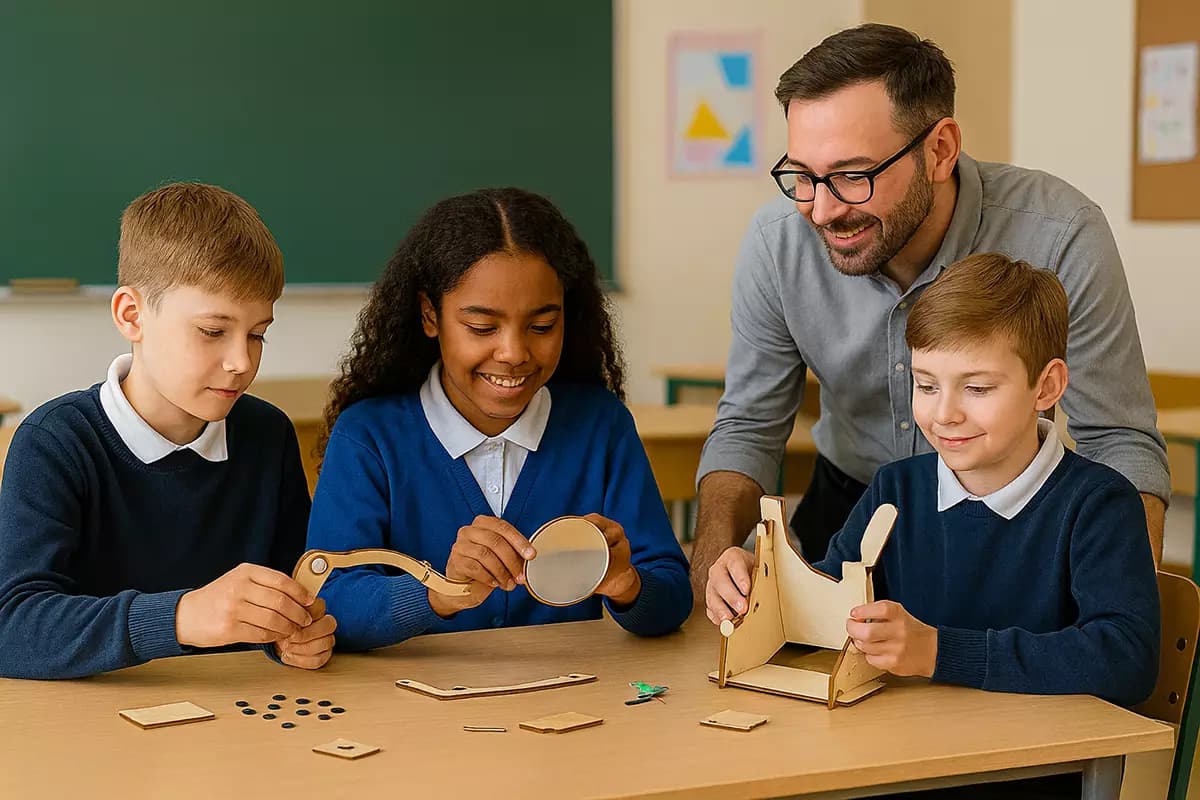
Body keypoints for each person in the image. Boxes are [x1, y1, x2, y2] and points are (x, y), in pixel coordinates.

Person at [690, 24, 1168, 606]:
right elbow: (748, 426)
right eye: (803, 176)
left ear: (939, 150)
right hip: (852, 510)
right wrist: (711, 574)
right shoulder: (775, 245)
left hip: (1019, 520)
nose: (821, 210)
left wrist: (1126, 611)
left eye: (852, 175)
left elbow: (1118, 441)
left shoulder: (1061, 234)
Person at [706, 253, 1159, 797]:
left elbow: (1127, 658)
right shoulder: (897, 489)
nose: (944, 414)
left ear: (1046, 387)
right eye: (926, 385)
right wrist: (763, 589)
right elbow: (828, 606)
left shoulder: (1098, 504)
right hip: (894, 763)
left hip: (1027, 774)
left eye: (977, 388)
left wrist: (941, 652)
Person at [307, 187, 691, 650]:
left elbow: (671, 595)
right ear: (431, 315)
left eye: (543, 326)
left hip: (575, 704)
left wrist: (625, 582)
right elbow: (328, 603)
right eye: (483, 328)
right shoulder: (370, 437)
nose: (513, 353)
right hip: (415, 715)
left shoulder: (600, 426)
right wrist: (441, 592)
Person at [0, 182, 333, 678]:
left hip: (236, 717)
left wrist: (298, 634)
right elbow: (13, 627)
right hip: (97, 726)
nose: (242, 362)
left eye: (258, 334)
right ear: (131, 316)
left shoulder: (268, 435)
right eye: (212, 332)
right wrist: (179, 618)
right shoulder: (55, 442)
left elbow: (293, 591)